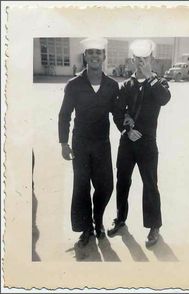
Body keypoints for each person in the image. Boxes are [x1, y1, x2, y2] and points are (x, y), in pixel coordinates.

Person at [58, 38, 122, 247]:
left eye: (99, 52)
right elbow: (64, 115)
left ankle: (98, 219)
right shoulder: (74, 84)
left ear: (104, 57)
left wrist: (127, 124)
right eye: (91, 52)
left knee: (105, 186)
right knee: (81, 187)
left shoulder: (112, 86)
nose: (95, 56)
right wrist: (63, 143)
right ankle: (86, 228)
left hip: (102, 144)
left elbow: (118, 114)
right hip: (81, 144)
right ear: (85, 56)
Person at [107, 39, 171, 247]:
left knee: (150, 184)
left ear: (151, 59)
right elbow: (117, 111)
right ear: (133, 60)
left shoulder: (158, 82)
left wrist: (151, 76)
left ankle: (154, 226)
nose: (141, 63)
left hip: (148, 143)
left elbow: (164, 99)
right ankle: (120, 219)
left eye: (145, 59)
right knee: (122, 180)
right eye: (138, 59)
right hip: (127, 142)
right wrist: (126, 127)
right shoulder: (126, 85)